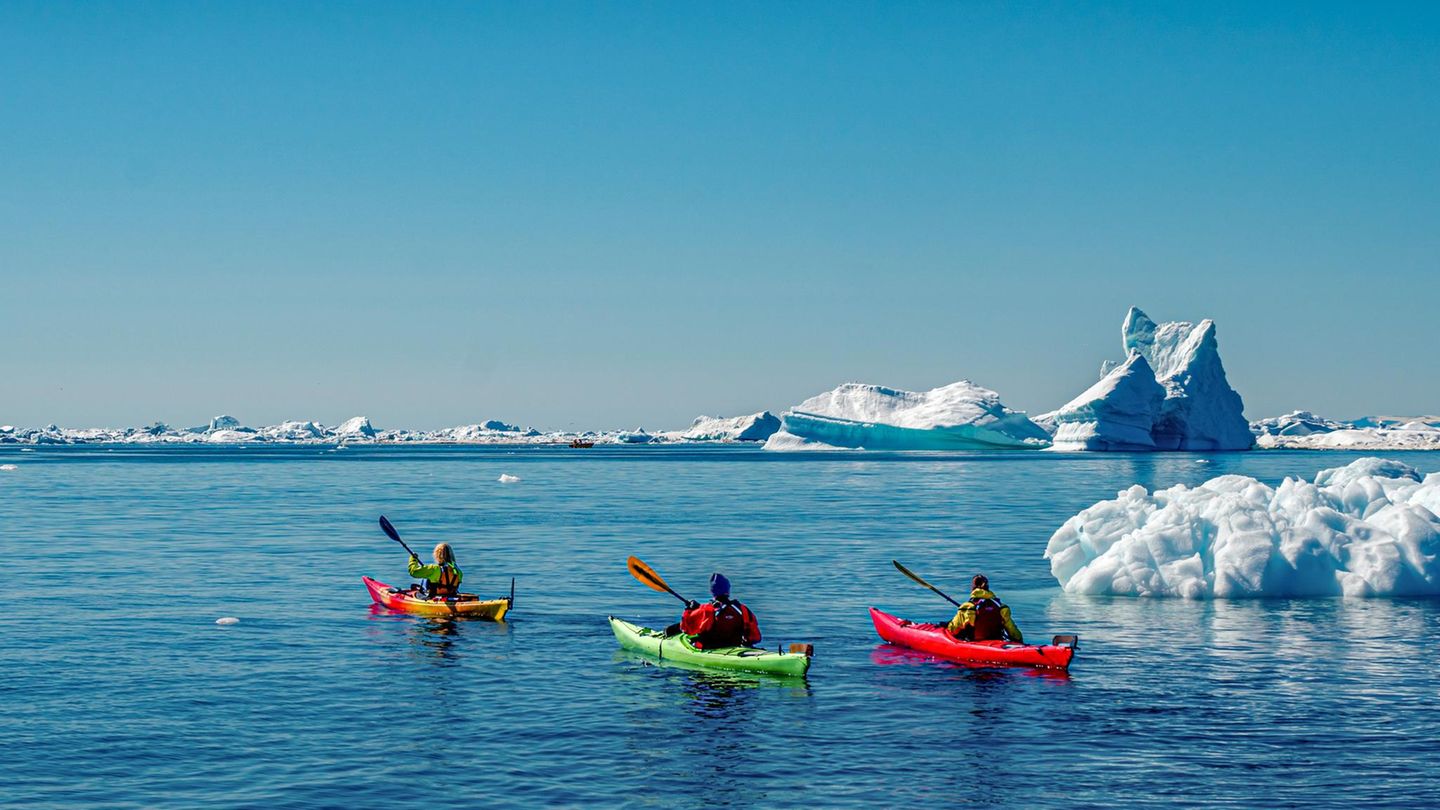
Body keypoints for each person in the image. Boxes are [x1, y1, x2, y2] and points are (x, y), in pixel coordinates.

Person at [677, 573, 762, 649]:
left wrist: (689, 610)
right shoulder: (743, 609)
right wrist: (746, 642)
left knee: (692, 641)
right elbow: (756, 638)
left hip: (710, 648)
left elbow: (685, 629)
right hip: (735, 646)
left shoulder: (706, 609)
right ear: (728, 590)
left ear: (712, 591)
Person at [946, 574, 1022, 642]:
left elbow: (952, 629)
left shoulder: (968, 607)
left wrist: (947, 626)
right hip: (997, 641)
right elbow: (1012, 630)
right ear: (987, 587)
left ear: (973, 587)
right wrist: (1020, 641)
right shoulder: (1000, 606)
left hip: (975, 643)